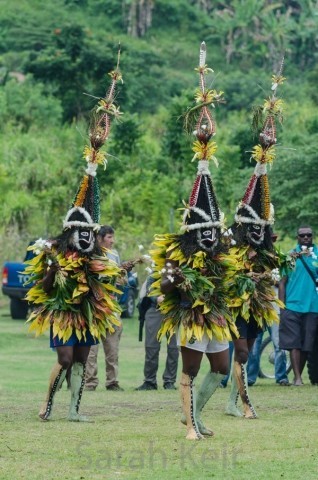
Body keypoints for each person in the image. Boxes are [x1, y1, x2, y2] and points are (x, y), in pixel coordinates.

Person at [24, 58, 123, 421]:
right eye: (79, 232)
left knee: (81, 360)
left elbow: (107, 286)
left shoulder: (97, 257)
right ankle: (47, 403)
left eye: (89, 233)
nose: (84, 238)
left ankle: (74, 409)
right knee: (65, 359)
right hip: (63, 313)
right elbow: (45, 287)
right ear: (69, 231)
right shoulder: (56, 253)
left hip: (87, 314)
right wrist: (54, 270)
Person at [151, 43, 238, 440]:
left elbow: (232, 280)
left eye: (212, 230)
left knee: (220, 369)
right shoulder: (178, 255)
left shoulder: (223, 253)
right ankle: (191, 425)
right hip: (190, 316)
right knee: (190, 370)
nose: (207, 235)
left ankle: (196, 416)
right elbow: (165, 287)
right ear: (191, 231)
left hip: (216, 314)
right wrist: (177, 279)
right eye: (200, 230)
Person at [224, 67, 287, 418]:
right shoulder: (234, 246)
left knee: (244, 352)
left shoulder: (266, 249)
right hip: (235, 304)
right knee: (243, 352)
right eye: (256, 227)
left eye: (265, 227)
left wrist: (269, 276)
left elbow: (273, 273)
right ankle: (244, 404)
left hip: (257, 305)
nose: (260, 232)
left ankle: (234, 399)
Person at [85, 225, 126, 391]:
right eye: (109, 237)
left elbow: (123, 281)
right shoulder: (90, 255)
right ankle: (90, 382)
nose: (112, 241)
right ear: (99, 238)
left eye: (112, 237)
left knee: (112, 346)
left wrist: (120, 275)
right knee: (91, 348)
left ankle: (112, 381)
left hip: (111, 307)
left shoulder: (114, 255)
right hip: (93, 307)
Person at [279, 226, 318, 386]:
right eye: (303, 235)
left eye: (309, 235)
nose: (306, 238)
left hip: (313, 307)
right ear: (297, 237)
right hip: (292, 306)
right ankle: (297, 378)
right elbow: (282, 283)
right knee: (293, 342)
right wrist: (282, 307)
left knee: (306, 344)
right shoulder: (290, 256)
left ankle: (299, 375)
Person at [135, 276, 179, 391]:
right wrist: (156, 298)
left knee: (173, 347)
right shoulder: (154, 272)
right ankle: (150, 381)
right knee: (151, 347)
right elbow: (149, 289)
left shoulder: (178, 269)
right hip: (154, 310)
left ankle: (169, 381)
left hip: (173, 310)